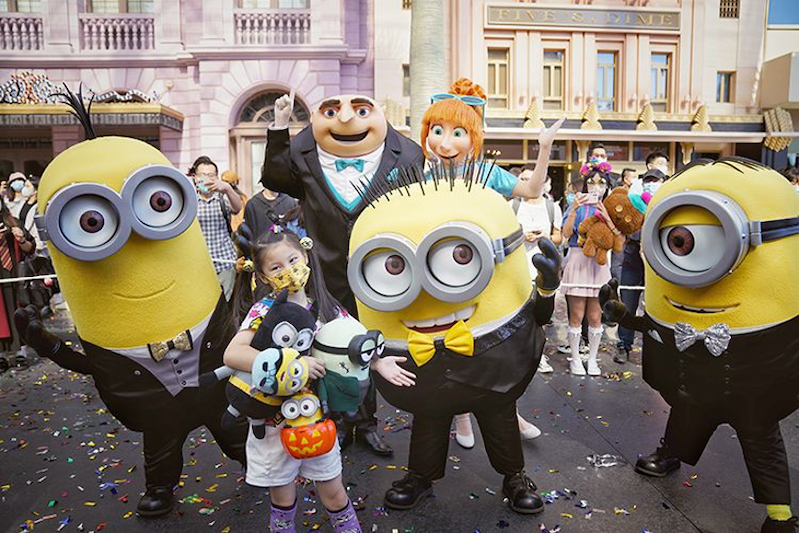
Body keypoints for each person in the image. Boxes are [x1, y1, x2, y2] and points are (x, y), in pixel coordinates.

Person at [601, 158, 799, 533]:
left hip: (754, 372)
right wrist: (624, 316)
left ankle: (779, 512)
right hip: (690, 369)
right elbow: (653, 326)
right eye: (678, 240)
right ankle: (670, 454)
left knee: (760, 432)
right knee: (687, 411)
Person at [263, 90, 424, 456]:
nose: (347, 119)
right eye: (333, 111)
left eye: (361, 110)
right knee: (329, 345)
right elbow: (275, 178)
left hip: (379, 271)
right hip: (325, 271)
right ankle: (337, 420)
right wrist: (279, 127)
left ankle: (366, 423)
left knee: (370, 343)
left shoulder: (407, 155)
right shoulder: (304, 154)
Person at [224, 228, 411, 534]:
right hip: (273, 423)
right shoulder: (263, 310)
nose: (288, 271)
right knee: (282, 497)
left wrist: (378, 362)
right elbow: (233, 354)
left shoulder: (327, 307)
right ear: (262, 276)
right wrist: (292, 365)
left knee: (334, 491)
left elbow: (354, 342)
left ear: (305, 256)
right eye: (276, 267)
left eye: (292, 260)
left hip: (317, 420)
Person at [421, 78, 565, 199]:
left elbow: (532, 191)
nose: (445, 144)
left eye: (458, 133)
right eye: (438, 131)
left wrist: (545, 148)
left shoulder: (489, 174)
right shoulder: (425, 179)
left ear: (477, 136)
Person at [560, 167, 616, 376]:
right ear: (585, 185)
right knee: (576, 315)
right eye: (591, 182)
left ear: (607, 187)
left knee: (595, 316)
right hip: (577, 258)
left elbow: (618, 239)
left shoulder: (610, 207)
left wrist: (607, 216)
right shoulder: (576, 205)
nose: (596, 187)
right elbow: (566, 234)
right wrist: (574, 209)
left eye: (601, 183)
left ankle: (592, 359)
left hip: (598, 264)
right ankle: (575, 359)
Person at [511, 166, 563, 375]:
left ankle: (538, 355)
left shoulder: (552, 208)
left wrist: (545, 237)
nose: (527, 183)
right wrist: (521, 236)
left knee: (540, 315)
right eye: (523, 179)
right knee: (516, 314)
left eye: (531, 179)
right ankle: (517, 355)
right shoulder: (513, 206)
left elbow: (559, 237)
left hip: (543, 272)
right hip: (517, 270)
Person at [614, 168, 666, 364]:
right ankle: (623, 345)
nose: (651, 185)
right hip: (632, 257)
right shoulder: (634, 203)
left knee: (654, 305)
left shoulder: (666, 203)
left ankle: (655, 348)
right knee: (628, 303)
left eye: (656, 181)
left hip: (656, 259)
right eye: (648, 181)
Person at [190, 156, 242, 302]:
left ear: (217, 178)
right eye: (203, 175)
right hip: (199, 262)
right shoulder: (190, 200)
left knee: (225, 304)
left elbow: (237, 208)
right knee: (203, 302)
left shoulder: (222, 198)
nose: (207, 179)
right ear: (195, 178)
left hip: (225, 260)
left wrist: (228, 189)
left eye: (211, 175)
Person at [0, 199, 34, 372]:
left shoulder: (14, 222)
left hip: (15, 276)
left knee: (18, 312)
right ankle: (1, 356)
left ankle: (22, 353)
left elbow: (31, 248)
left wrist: (21, 239)